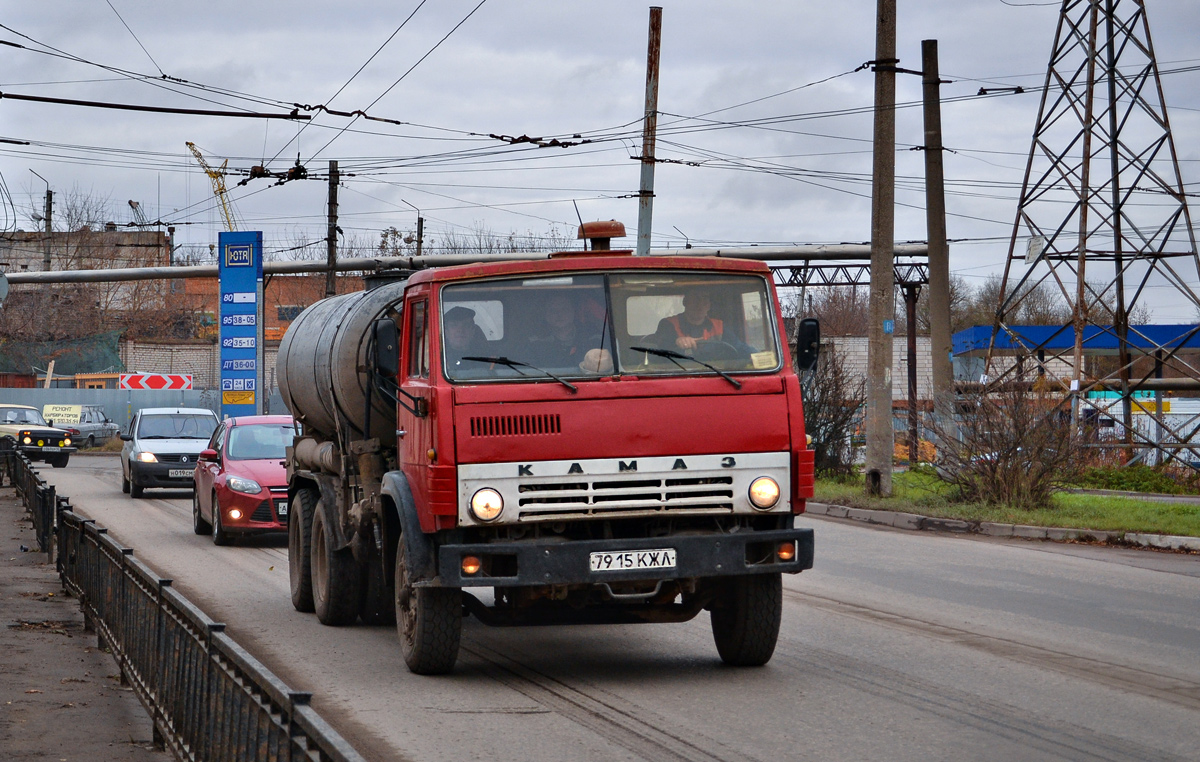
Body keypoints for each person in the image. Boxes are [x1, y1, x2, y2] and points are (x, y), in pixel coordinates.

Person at [527, 292, 610, 371]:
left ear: (573, 310)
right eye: (552, 310)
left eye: (564, 309)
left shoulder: (595, 338)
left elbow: (606, 369)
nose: (559, 314)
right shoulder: (533, 342)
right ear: (545, 314)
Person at [653, 288, 726, 352]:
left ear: (709, 305)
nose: (700, 303)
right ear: (685, 302)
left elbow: (736, 350)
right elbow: (659, 350)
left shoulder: (720, 326)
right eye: (695, 298)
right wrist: (677, 341)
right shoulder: (668, 324)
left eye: (705, 298)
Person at [443, 305, 488, 370]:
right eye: (454, 325)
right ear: (446, 331)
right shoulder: (439, 358)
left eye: (466, 325)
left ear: (473, 330)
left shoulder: (488, 359)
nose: (460, 330)